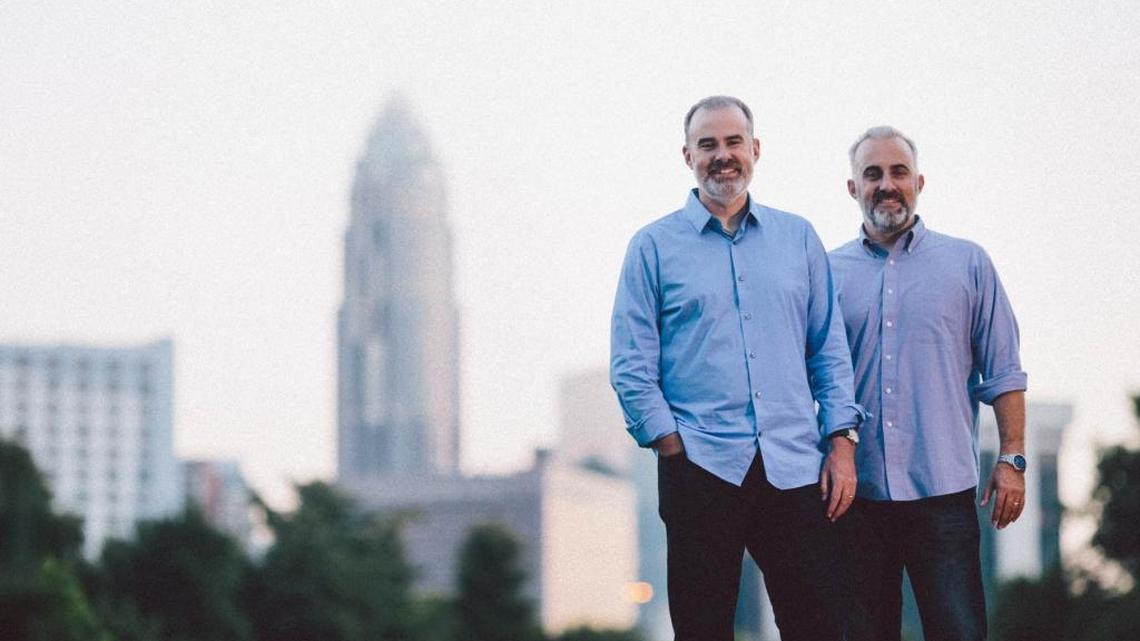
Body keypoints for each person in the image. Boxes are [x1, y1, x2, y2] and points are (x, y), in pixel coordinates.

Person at [610, 95, 865, 641]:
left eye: (732, 143)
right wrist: (670, 444)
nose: (721, 156)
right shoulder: (652, 248)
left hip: (795, 467)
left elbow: (829, 349)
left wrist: (841, 443)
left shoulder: (798, 238)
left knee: (821, 625)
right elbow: (631, 363)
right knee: (702, 629)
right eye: (708, 145)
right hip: (699, 465)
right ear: (687, 156)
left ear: (755, 149)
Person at [830, 126, 1028, 641]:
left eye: (898, 172)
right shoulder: (826, 274)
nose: (886, 184)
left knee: (959, 632)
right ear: (853, 188)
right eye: (872, 174)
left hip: (943, 493)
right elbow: (816, 380)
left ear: (918, 182)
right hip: (855, 499)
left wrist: (1012, 459)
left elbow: (1004, 369)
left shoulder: (968, 264)